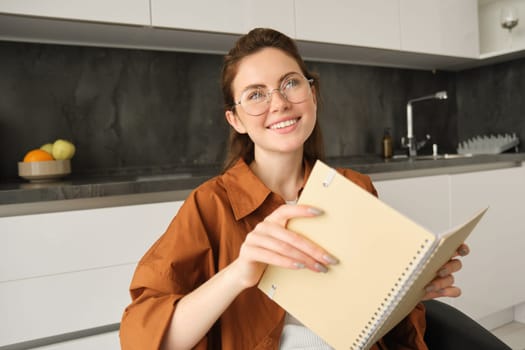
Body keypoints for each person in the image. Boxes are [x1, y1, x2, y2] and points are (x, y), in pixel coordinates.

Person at [119, 28, 469, 350]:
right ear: (235, 119)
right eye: (255, 94)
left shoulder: (354, 187)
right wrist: (238, 273)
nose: (279, 103)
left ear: (312, 94)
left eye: (290, 83)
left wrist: (409, 291)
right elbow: (142, 338)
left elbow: (371, 314)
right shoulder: (209, 205)